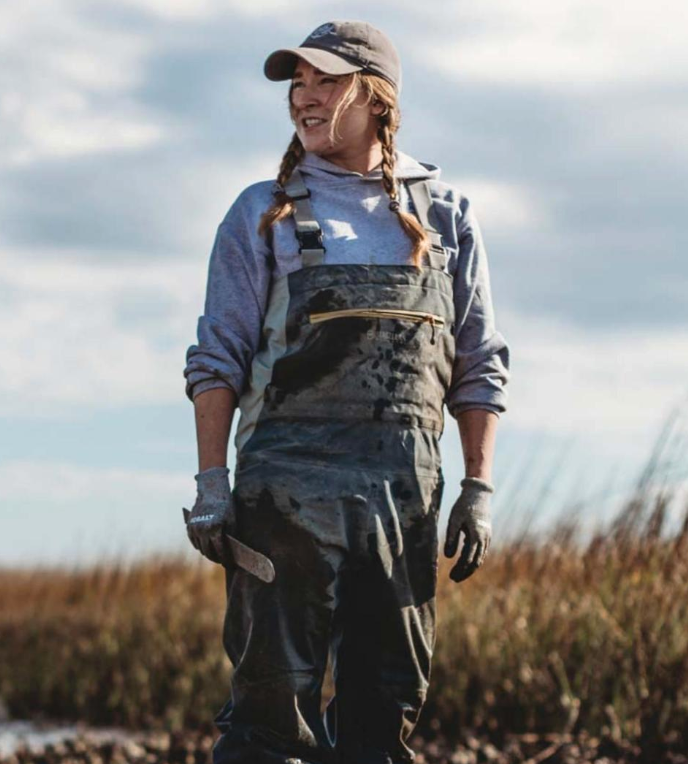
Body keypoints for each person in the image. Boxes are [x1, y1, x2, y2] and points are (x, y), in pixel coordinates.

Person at [181, 20, 510, 764]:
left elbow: (478, 362)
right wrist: (211, 484)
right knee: (268, 713)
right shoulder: (261, 212)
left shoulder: (446, 214)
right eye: (297, 83)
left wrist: (478, 488)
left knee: (385, 709)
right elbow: (217, 360)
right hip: (282, 504)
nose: (304, 97)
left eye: (325, 81)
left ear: (376, 95)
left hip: (403, 503)